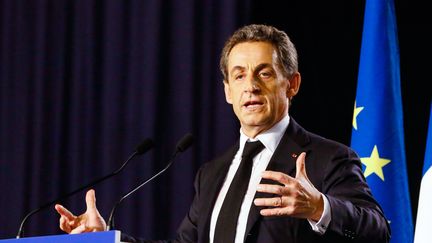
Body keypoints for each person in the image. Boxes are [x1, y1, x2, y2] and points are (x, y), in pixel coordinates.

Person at [55, 24, 390, 243]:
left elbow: (378, 230)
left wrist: (320, 207)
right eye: (240, 75)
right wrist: (106, 239)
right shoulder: (212, 173)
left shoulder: (327, 158)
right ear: (228, 90)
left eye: (265, 73)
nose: (252, 86)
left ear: (292, 85)